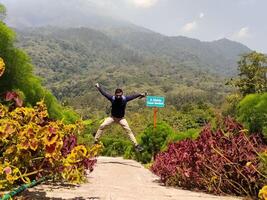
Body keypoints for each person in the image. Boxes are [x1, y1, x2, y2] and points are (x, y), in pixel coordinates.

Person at [94, 83, 145, 152]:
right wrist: (98, 87)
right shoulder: (112, 98)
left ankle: (136, 145)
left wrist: (140, 94)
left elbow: (133, 96)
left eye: (120, 95)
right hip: (112, 118)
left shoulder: (124, 99)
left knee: (128, 130)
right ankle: (96, 141)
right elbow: (104, 93)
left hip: (121, 119)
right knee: (102, 125)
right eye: (117, 95)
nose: (118, 97)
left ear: (122, 94)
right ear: (115, 94)